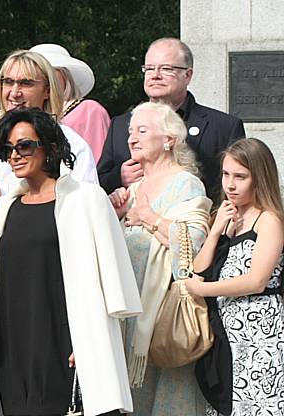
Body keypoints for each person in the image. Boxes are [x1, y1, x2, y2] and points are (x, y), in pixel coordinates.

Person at [0, 108, 141, 416]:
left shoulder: (86, 198)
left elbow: (112, 282)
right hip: (14, 340)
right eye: (8, 149)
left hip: (67, 338)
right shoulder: (6, 205)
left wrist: (90, 340)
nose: (15, 155)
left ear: (51, 147)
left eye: (24, 145)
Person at [108, 102, 211, 415]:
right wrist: (114, 215)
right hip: (131, 310)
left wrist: (150, 218)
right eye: (130, 132)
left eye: (142, 130)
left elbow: (193, 245)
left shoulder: (186, 183)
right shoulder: (133, 187)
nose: (132, 138)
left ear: (169, 139)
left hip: (163, 312)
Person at [185, 138, 284, 416]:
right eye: (226, 174)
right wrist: (215, 231)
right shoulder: (226, 216)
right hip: (224, 333)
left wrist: (205, 290)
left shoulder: (269, 220)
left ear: (259, 178)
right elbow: (199, 270)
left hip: (257, 335)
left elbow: (257, 281)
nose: (230, 184)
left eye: (240, 177)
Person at [98, 37, 245, 202]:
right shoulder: (120, 125)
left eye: (166, 68)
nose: (155, 75)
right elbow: (97, 183)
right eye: (149, 69)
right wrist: (119, 177)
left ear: (188, 75)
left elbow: (241, 184)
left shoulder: (224, 127)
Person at [0, 49, 98, 194]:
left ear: (47, 91)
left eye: (25, 83)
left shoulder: (73, 144)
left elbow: (86, 203)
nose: (14, 93)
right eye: (8, 82)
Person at [30, 43, 110, 162]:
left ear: (64, 75)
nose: (44, 79)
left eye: (49, 72)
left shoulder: (89, 111)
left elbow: (100, 164)